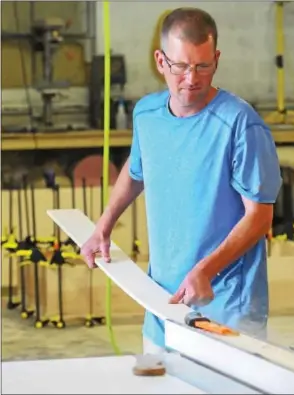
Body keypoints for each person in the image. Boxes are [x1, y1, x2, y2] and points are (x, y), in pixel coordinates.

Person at [80, 7, 282, 355]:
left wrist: (205, 270)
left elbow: (259, 217)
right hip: (163, 301)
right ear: (161, 61)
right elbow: (136, 169)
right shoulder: (147, 114)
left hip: (227, 308)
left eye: (203, 66)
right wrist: (104, 225)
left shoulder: (240, 125)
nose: (192, 78)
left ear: (216, 59)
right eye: (181, 66)